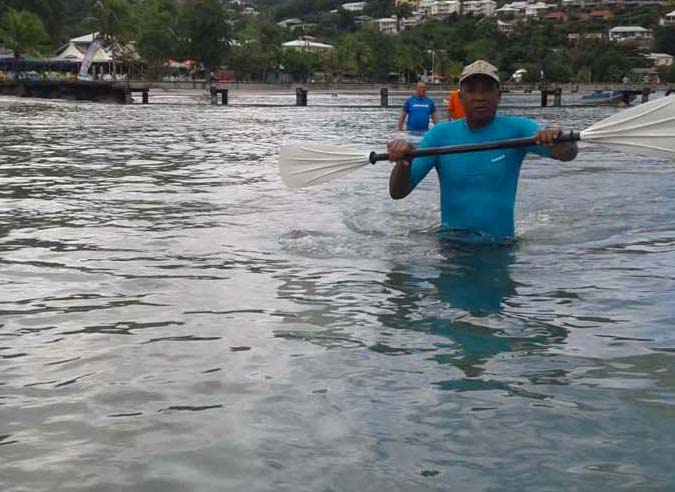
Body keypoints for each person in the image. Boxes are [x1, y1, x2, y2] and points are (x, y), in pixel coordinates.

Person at [388, 60, 578, 243]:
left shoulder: (518, 130)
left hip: (500, 246)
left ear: (499, 95)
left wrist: (557, 138)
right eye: (471, 90)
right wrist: (403, 162)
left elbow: (568, 154)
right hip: (452, 247)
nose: (479, 97)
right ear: (460, 97)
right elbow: (397, 193)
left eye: (487, 89)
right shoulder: (439, 135)